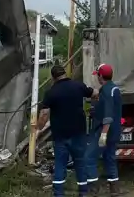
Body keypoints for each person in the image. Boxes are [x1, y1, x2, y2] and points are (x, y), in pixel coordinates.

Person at [37, 64, 94, 196]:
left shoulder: (51, 92)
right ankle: (83, 193)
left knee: (60, 164)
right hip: (79, 133)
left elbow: (44, 114)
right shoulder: (78, 86)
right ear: (65, 74)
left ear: (53, 77)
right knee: (80, 163)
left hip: (60, 136)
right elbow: (93, 93)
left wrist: (39, 128)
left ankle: (58, 194)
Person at [85, 63, 123, 195]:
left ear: (101, 76)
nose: (97, 78)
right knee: (109, 158)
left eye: (98, 75)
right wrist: (95, 110)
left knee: (89, 157)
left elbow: (108, 115)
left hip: (104, 131)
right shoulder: (114, 89)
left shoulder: (106, 91)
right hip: (115, 131)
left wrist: (103, 135)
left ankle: (93, 188)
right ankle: (114, 189)